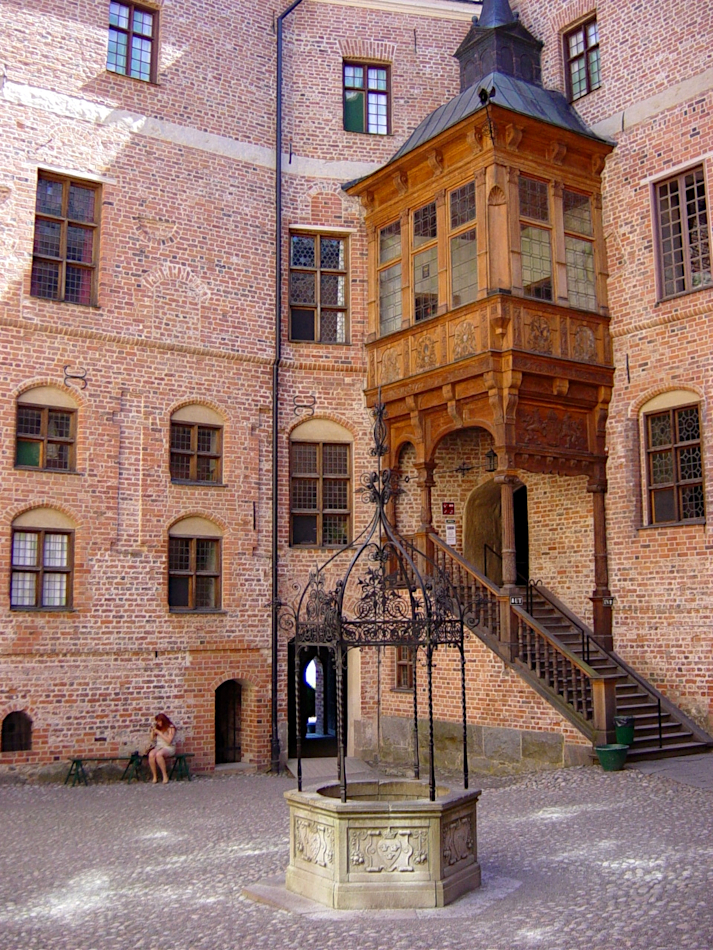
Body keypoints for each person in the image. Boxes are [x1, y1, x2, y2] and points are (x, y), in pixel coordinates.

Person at [148, 713, 176, 784]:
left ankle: (165, 776)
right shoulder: (158, 727)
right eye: (157, 721)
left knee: (159, 754)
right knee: (151, 754)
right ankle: (154, 776)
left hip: (168, 747)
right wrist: (152, 731)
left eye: (160, 721)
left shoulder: (170, 728)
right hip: (159, 746)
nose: (159, 723)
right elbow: (152, 739)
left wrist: (160, 733)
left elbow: (169, 741)